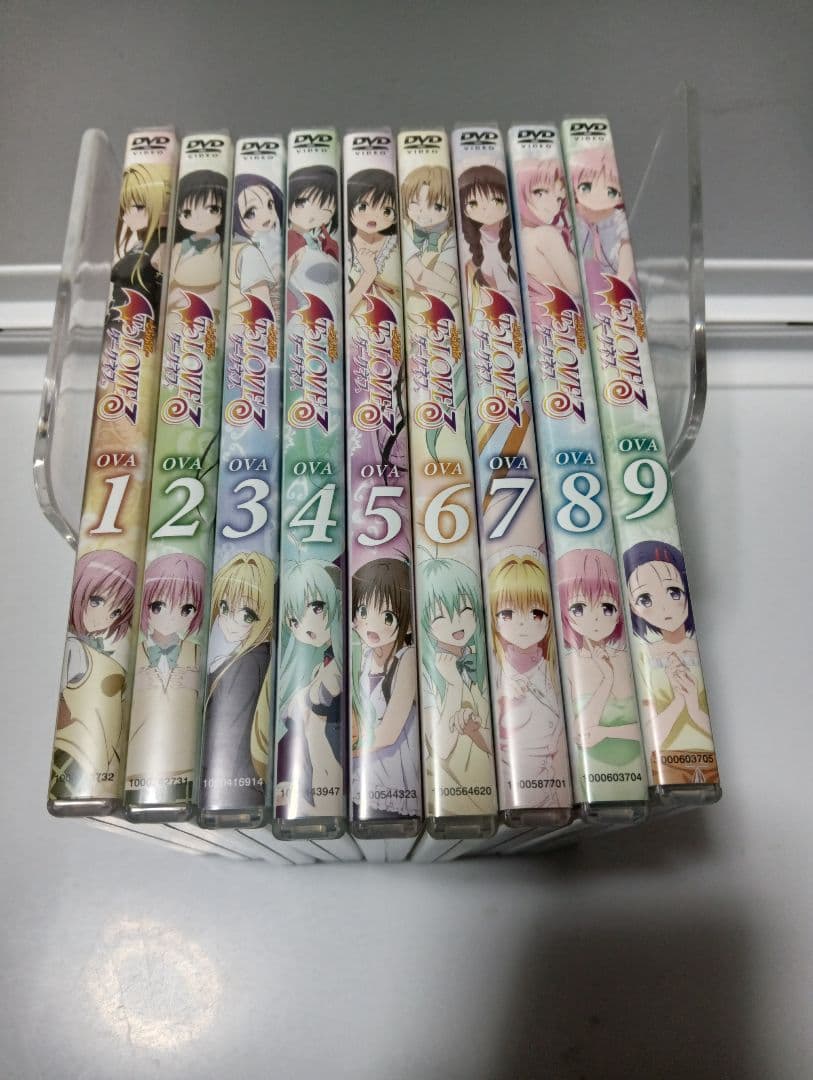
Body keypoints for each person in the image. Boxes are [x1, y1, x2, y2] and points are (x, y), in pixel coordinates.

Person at [52, 549, 136, 797]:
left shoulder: (100, 654)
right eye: (96, 601)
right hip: (75, 755)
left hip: (104, 763)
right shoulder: (73, 648)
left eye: (116, 612)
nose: (103, 618)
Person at [488, 551, 567, 797]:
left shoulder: (554, 672)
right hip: (506, 788)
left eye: (536, 613)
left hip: (551, 790)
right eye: (507, 614)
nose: (522, 623)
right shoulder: (494, 673)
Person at [418, 555, 493, 811]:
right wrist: (453, 685)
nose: (457, 621)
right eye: (439, 615)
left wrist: (474, 729)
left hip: (488, 786)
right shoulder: (425, 671)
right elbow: (440, 749)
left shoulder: (484, 662)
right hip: (444, 794)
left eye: (465, 609)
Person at [557, 548, 643, 767]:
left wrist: (606, 732)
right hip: (589, 767)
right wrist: (607, 679)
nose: (595, 619)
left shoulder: (629, 658)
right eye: (578, 608)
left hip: (638, 765)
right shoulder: (568, 664)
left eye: (607, 607)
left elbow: (649, 725)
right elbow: (580, 734)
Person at [623, 540, 712, 752]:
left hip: (704, 755)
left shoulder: (699, 653)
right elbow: (647, 734)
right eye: (645, 599)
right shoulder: (642, 657)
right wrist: (679, 702)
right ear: (632, 606)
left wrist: (694, 709)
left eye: (673, 592)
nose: (664, 608)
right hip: (665, 759)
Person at [202, 552, 275, 804]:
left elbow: (229, 739)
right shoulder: (247, 658)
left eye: (247, 615)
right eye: (224, 608)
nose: (229, 622)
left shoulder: (249, 662)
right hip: (235, 788)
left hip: (232, 790)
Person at [351, 558, 419, 819]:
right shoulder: (364, 658)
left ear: (409, 623)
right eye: (363, 611)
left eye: (388, 616)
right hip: (364, 779)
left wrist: (346, 753)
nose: (372, 625)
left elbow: (388, 734)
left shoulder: (407, 659)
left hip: (397, 783)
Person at [275, 560, 344, 814]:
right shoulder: (321, 665)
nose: (306, 626)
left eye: (316, 607)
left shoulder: (337, 665)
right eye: (294, 621)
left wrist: (307, 698)